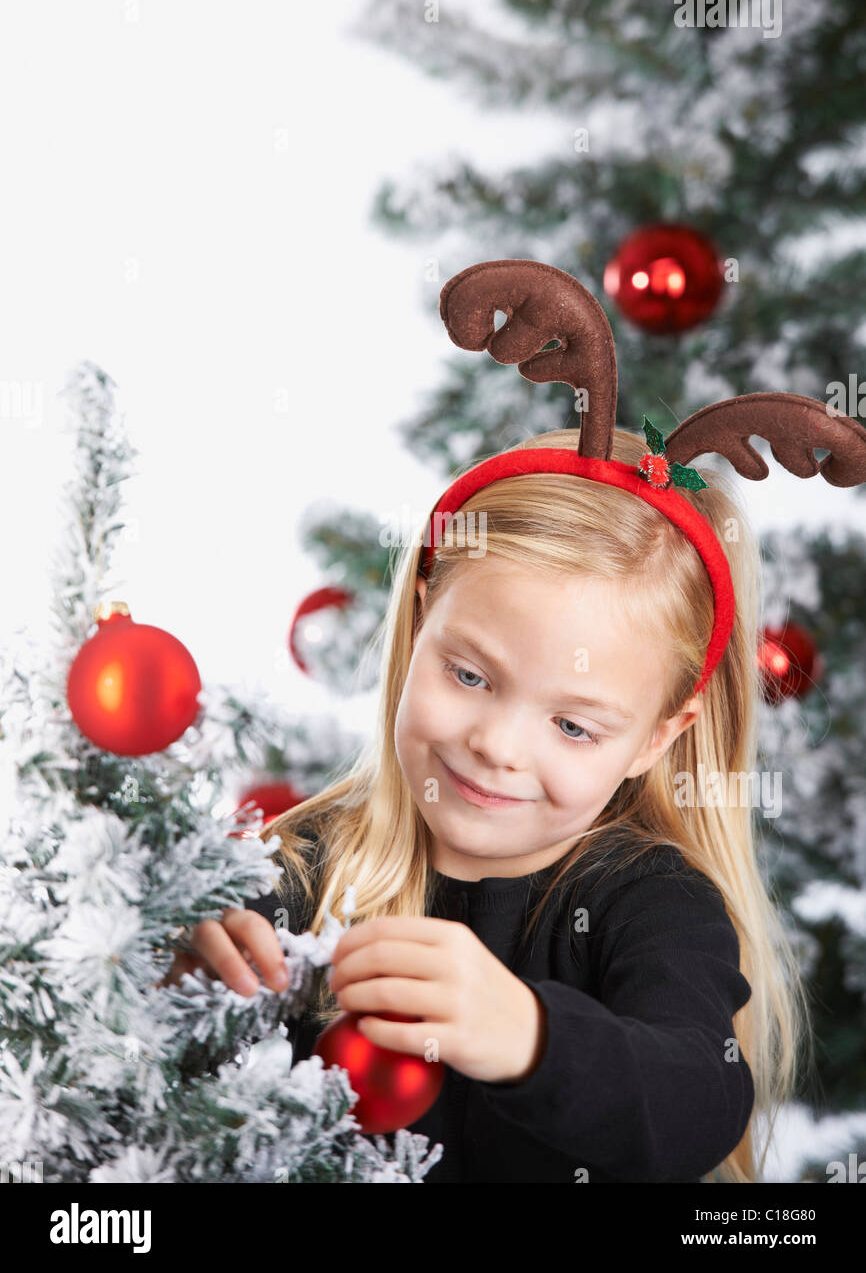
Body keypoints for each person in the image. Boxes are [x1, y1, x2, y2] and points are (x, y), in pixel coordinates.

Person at [165, 416, 812, 1182]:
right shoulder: (301, 867)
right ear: (419, 615)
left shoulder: (651, 903)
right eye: (470, 676)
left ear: (656, 739)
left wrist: (531, 1039)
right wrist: (177, 981)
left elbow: (697, 1095)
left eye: (573, 725)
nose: (498, 747)